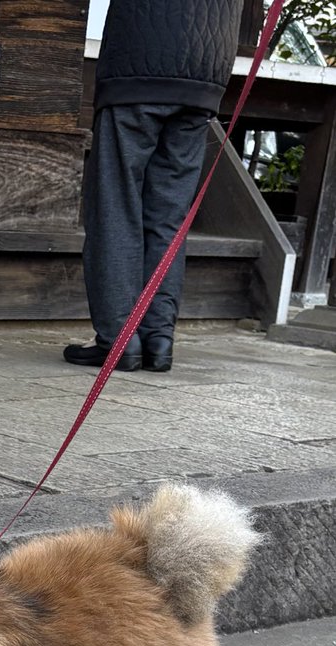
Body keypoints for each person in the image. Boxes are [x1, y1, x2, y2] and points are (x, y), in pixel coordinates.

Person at [64, 0, 243, 372]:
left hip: (139, 56)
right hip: (206, 65)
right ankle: (159, 338)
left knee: (116, 202)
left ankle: (119, 340)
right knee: (170, 214)